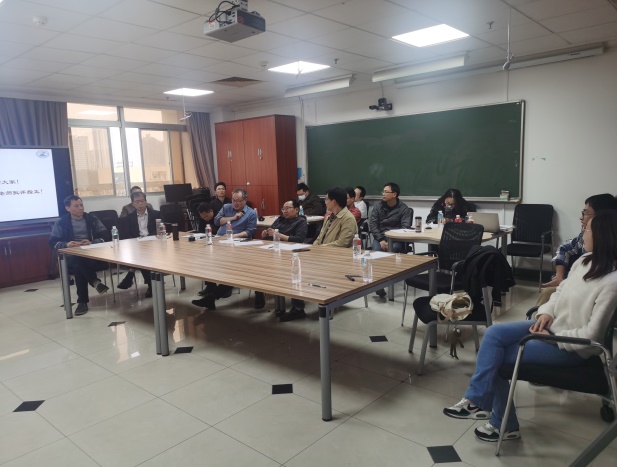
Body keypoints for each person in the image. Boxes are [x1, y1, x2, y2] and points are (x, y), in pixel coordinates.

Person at [443, 210, 617, 443]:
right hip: (550, 327)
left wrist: (550, 337)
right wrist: (546, 312)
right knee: (494, 333)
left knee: (498, 359)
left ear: (603, 236)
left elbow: (593, 336)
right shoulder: (584, 262)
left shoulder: (612, 283)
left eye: (587, 229)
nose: (582, 233)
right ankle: (476, 400)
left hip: (570, 347)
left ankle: (504, 424)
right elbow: (559, 293)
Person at [283, 188, 357, 322]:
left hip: (338, 257)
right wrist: (313, 248)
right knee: (296, 264)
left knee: (302, 268)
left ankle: (302, 307)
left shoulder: (348, 218)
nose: (325, 201)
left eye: (327, 199)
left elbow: (342, 243)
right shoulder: (329, 217)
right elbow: (319, 237)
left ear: (334, 201)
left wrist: (318, 249)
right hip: (323, 253)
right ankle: (297, 308)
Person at [192, 188, 257, 310]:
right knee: (203, 259)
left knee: (233, 270)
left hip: (236, 245)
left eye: (238, 201)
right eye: (233, 200)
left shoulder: (251, 213)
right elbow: (217, 221)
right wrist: (233, 218)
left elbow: (249, 232)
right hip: (219, 241)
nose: (235, 203)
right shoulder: (227, 207)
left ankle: (212, 296)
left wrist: (231, 236)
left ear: (245, 200)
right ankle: (211, 289)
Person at [541, 193, 617, 291]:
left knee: (548, 292)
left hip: (587, 288)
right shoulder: (584, 240)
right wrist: (559, 276)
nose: (581, 217)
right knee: (548, 293)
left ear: (602, 217)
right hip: (577, 284)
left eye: (585, 213)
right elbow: (564, 248)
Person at [49, 196, 110, 316]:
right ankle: (94, 281)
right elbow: (52, 242)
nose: (80, 208)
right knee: (77, 260)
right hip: (71, 255)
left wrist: (92, 242)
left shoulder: (92, 219)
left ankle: (82, 302)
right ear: (68, 208)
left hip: (91, 253)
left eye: (81, 205)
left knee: (79, 265)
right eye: (76, 206)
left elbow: (106, 236)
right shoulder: (61, 222)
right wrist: (67, 244)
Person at [257, 199, 308, 314]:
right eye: (283, 209)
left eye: (288, 208)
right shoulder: (280, 219)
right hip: (274, 250)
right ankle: (259, 291)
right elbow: (271, 231)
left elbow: (299, 239)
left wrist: (279, 235)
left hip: (291, 253)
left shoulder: (301, 221)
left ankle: (298, 308)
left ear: (296, 210)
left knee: (292, 274)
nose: (285, 211)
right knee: (259, 265)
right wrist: (266, 232)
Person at [369, 182, 412, 297]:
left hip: (397, 240)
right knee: (377, 252)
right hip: (380, 238)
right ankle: (379, 284)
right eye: (383, 192)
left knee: (391, 251)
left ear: (394, 194)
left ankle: (385, 281)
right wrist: (381, 239)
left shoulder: (404, 209)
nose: (383, 194)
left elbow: (405, 228)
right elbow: (373, 225)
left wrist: (391, 241)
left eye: (386, 192)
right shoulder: (378, 206)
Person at [116, 192, 160, 297]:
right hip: (138, 245)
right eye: (137, 202)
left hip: (154, 243)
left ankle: (131, 274)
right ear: (133, 204)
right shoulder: (130, 217)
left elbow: (158, 230)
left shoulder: (156, 214)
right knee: (141, 255)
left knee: (141, 255)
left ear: (146, 202)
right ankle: (150, 285)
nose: (140, 204)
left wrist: (147, 239)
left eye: (142, 201)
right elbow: (129, 234)